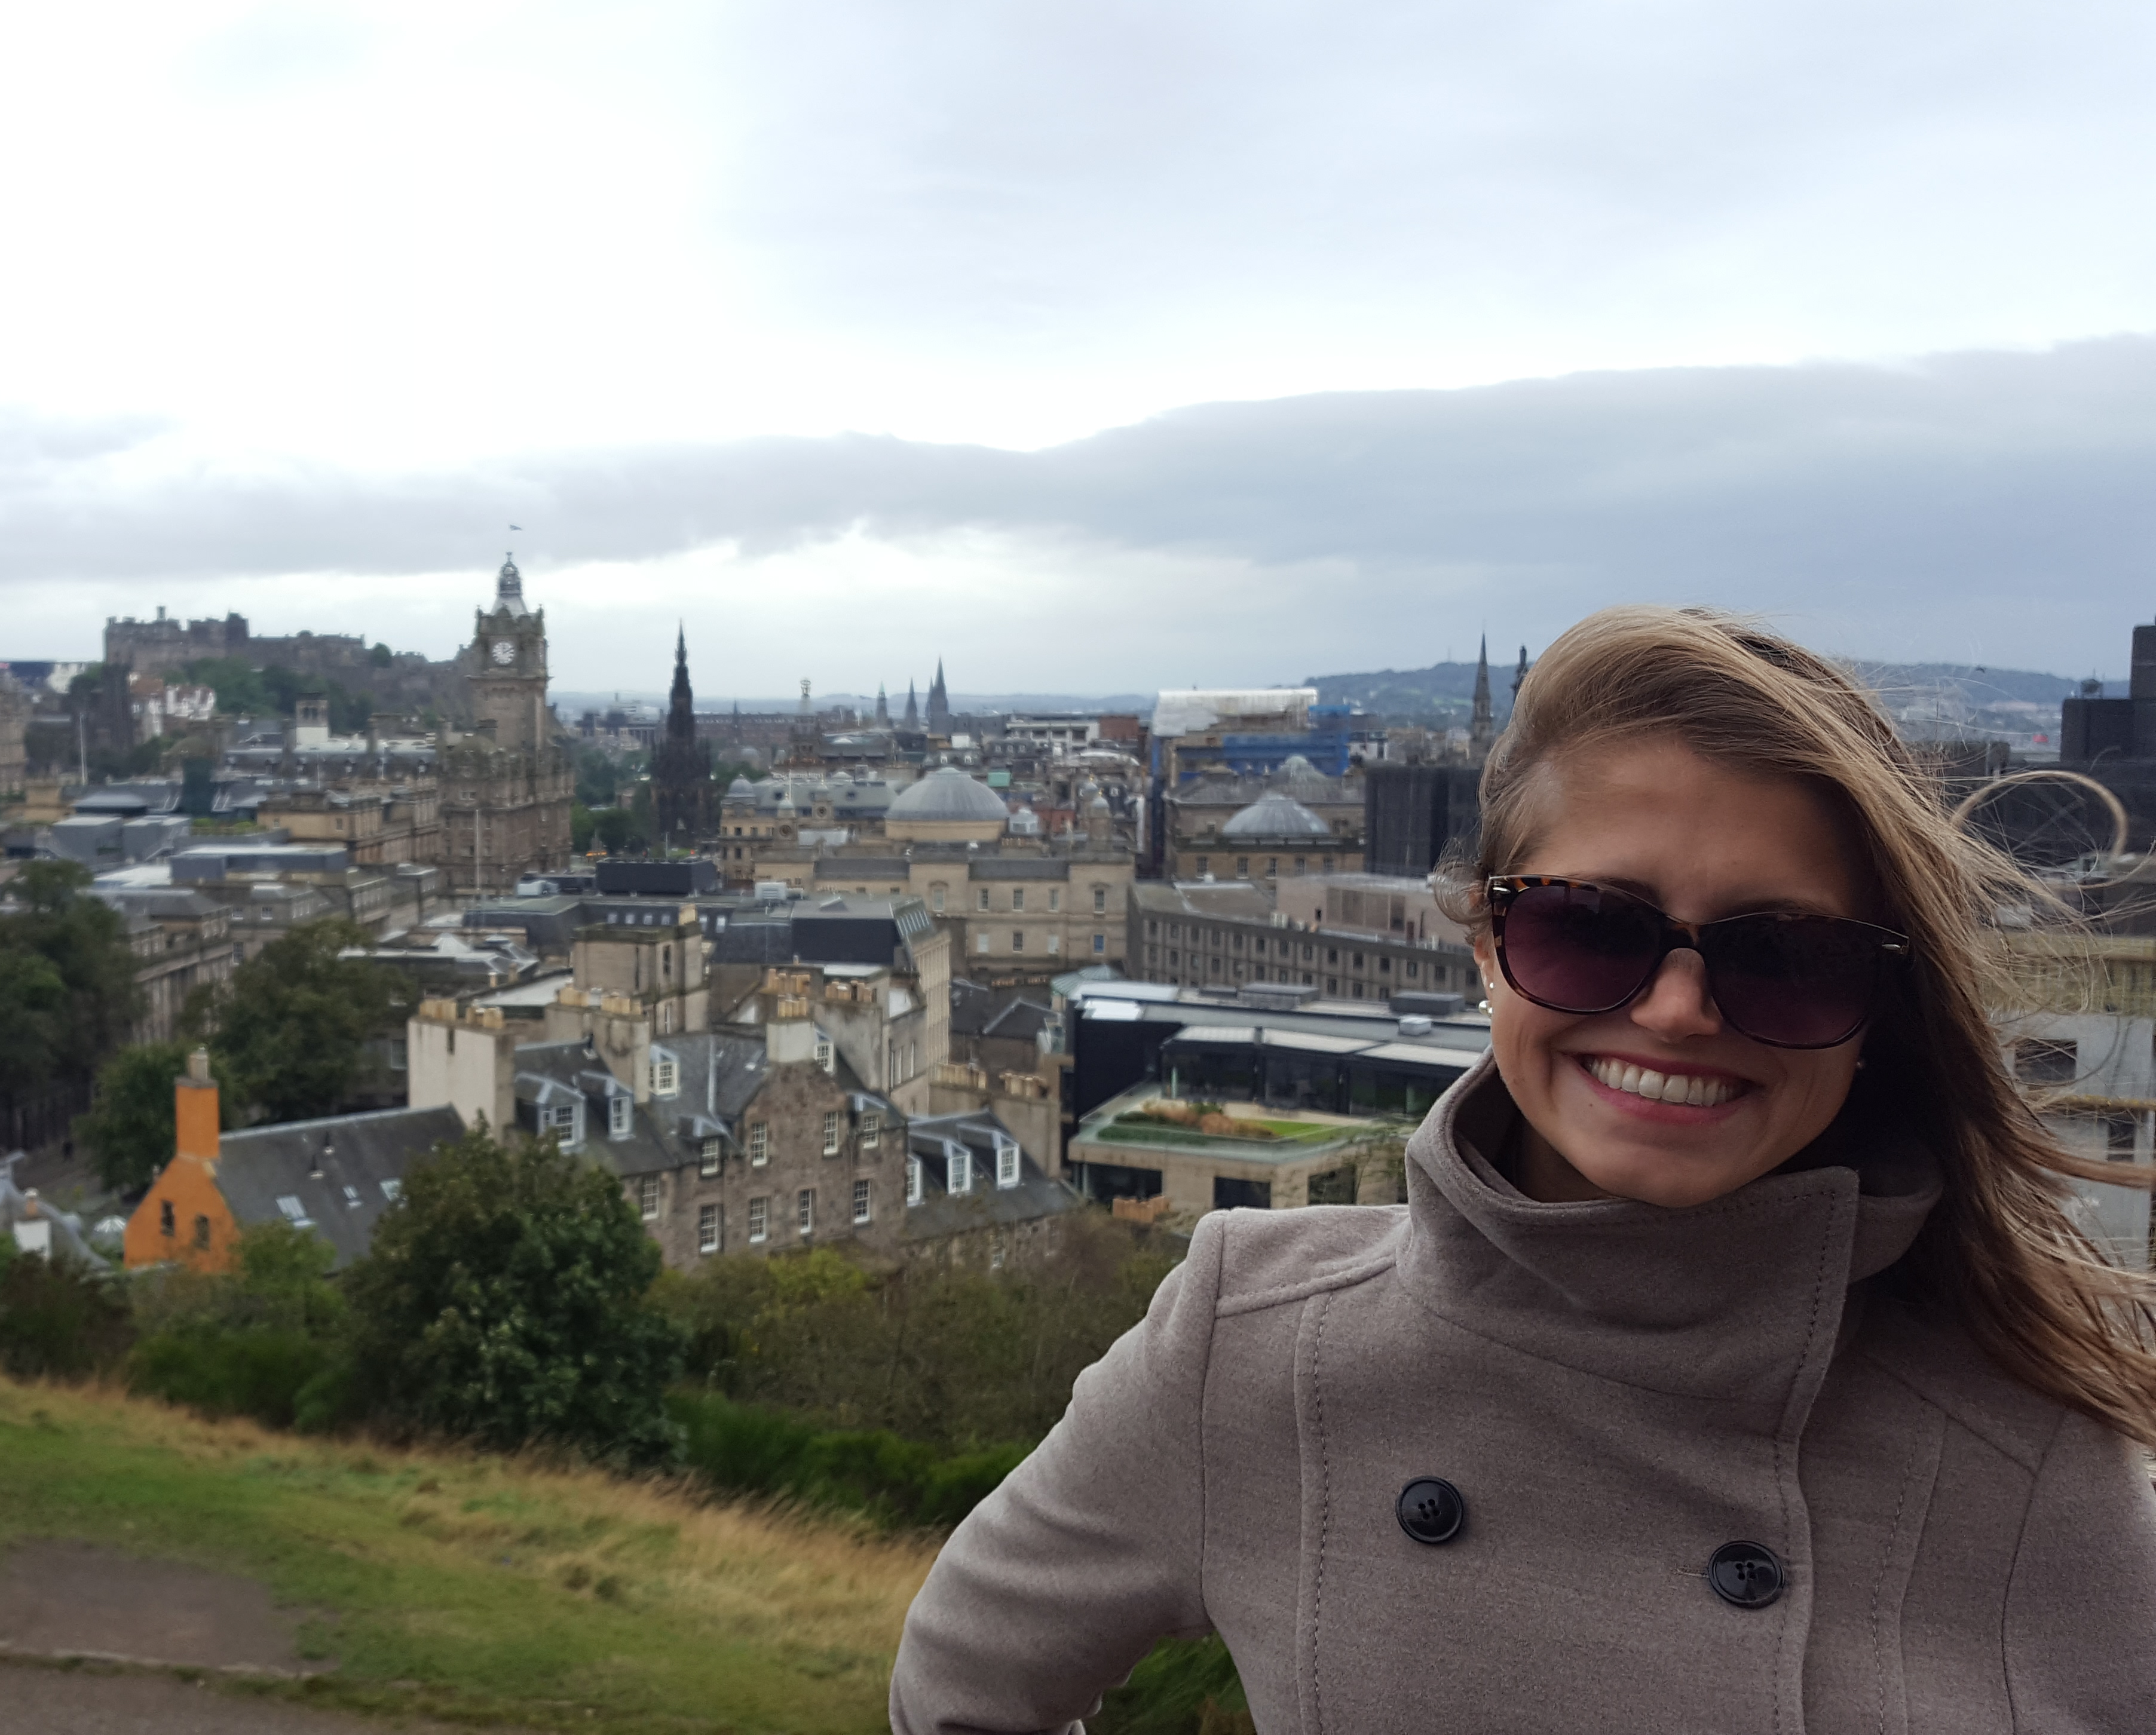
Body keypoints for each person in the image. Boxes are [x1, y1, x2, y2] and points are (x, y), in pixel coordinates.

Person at [891, 607, 2156, 1734]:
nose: (1672, 1011)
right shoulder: (1254, 1346)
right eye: (1587, 927)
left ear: (1881, 1003)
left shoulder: (2044, 1452)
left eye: (1782, 953)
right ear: (1486, 945)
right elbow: (963, 1685)